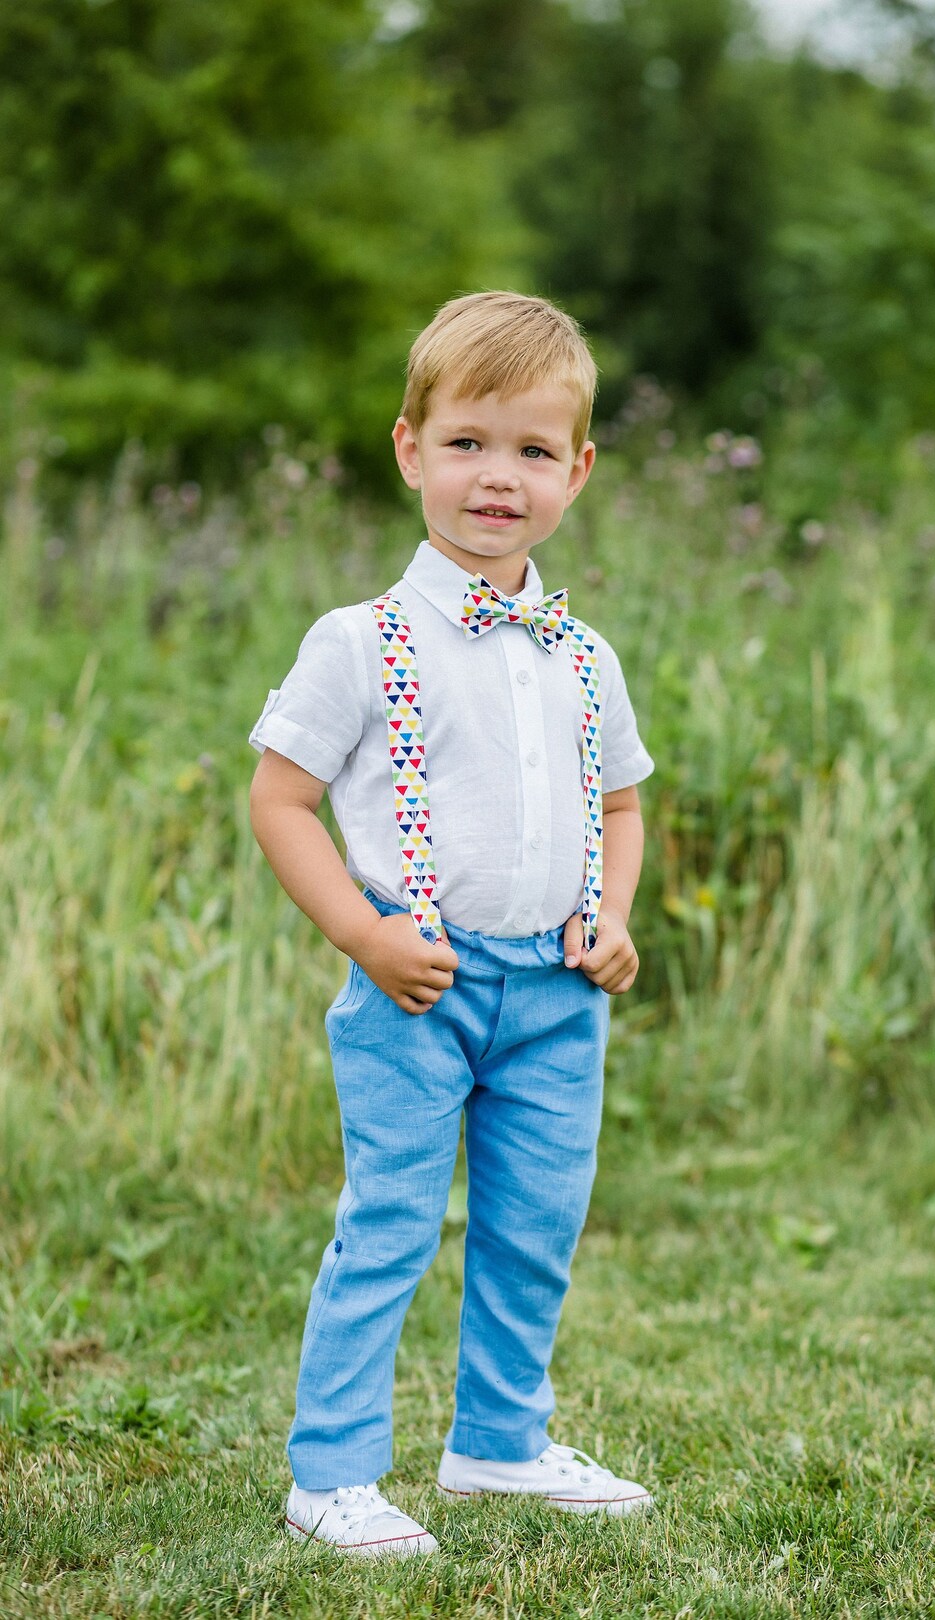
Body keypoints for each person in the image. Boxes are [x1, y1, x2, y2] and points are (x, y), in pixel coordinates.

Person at [248, 290, 655, 1558]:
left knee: (537, 1226)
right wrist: (362, 937)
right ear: (410, 448)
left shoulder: (583, 654)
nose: (499, 476)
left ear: (577, 472)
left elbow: (625, 803)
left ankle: (500, 1444)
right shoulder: (359, 642)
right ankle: (332, 1473)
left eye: (534, 451)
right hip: (413, 987)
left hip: (556, 996)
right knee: (390, 1223)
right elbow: (280, 800)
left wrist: (615, 918)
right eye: (470, 441)